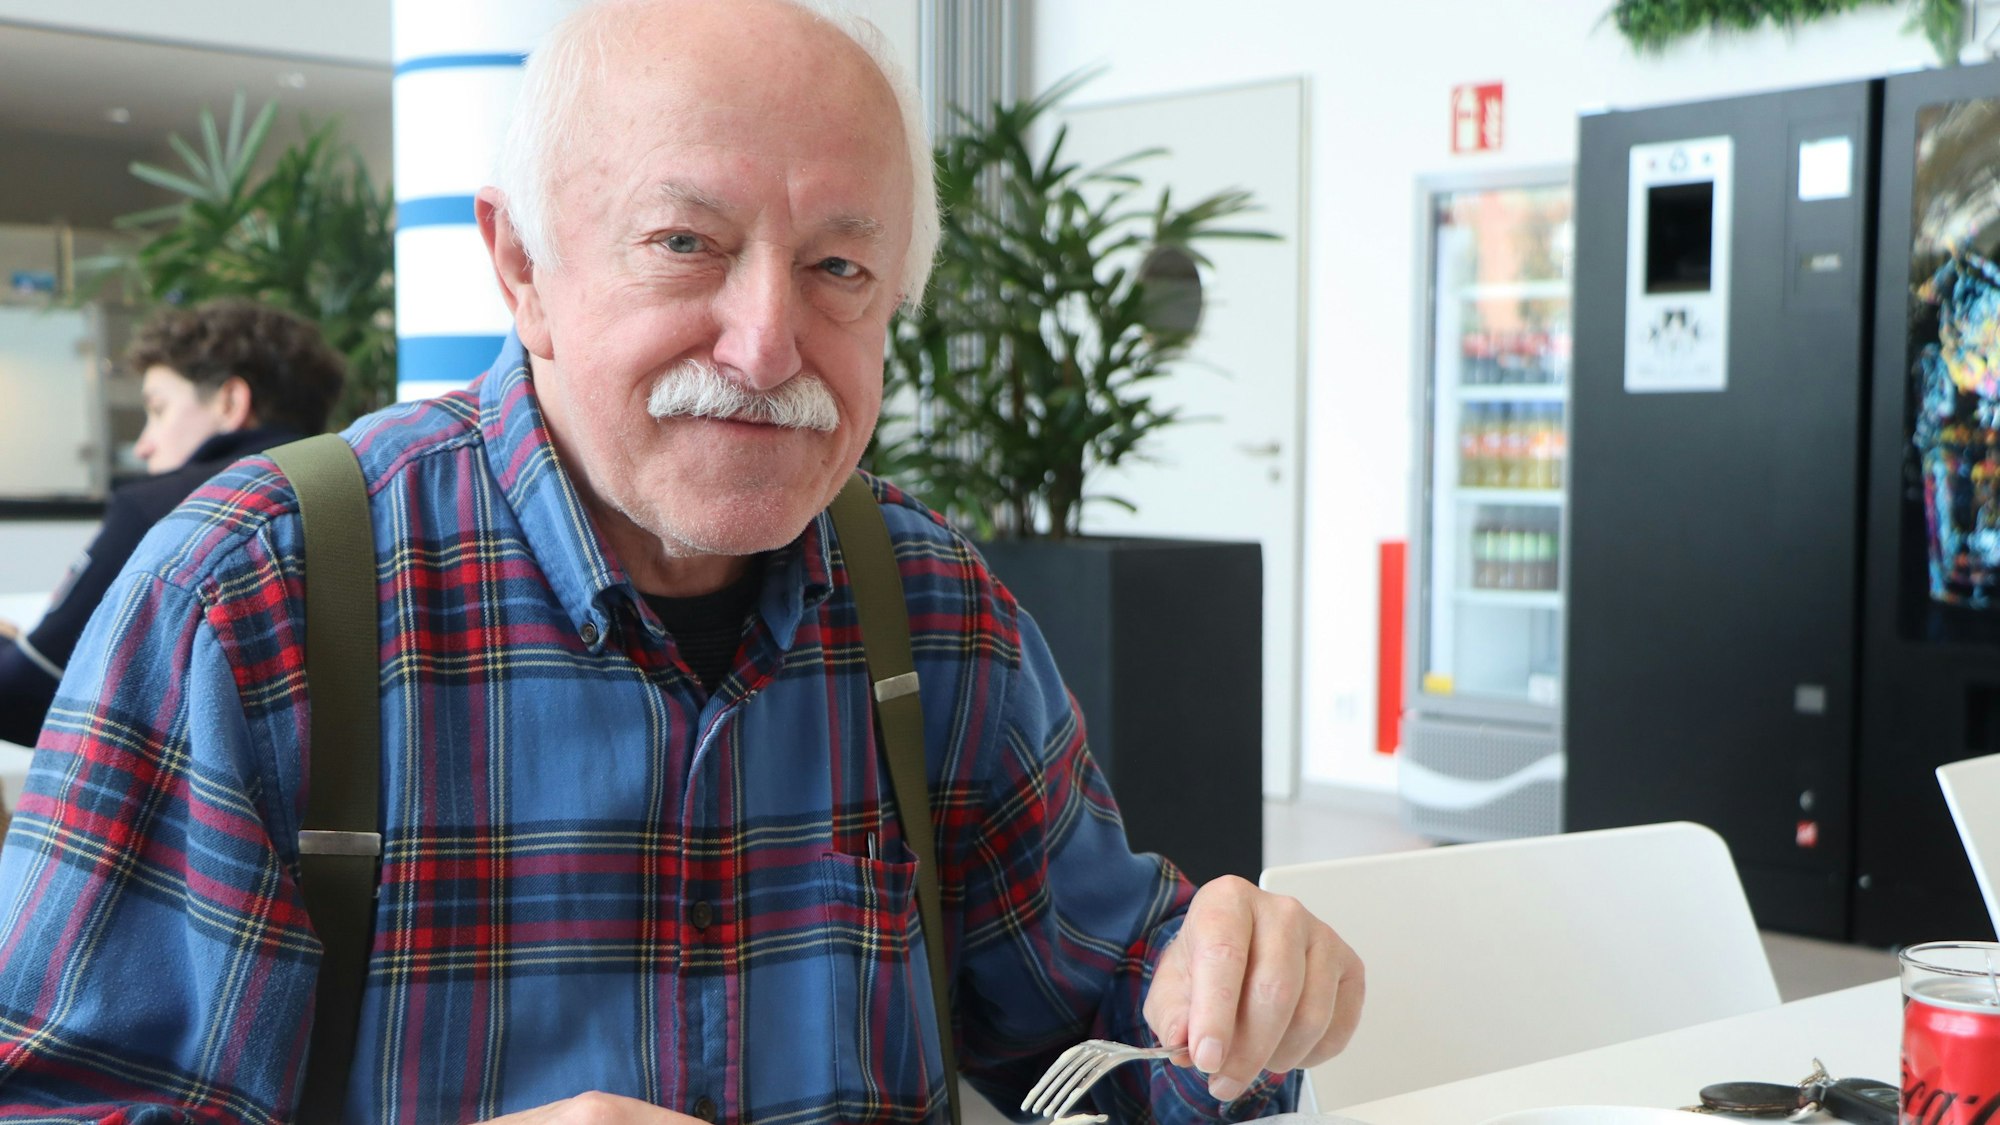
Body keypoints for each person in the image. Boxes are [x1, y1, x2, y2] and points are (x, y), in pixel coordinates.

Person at [0, 2, 1363, 1122]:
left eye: (839, 267)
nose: (766, 345)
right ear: (521, 267)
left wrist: (1231, 992)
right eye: (684, 244)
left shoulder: (932, 613)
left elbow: (1103, 1021)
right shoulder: (255, 601)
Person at [0, 299, 345, 747]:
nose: (144, 445)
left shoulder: (162, 509)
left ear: (230, 402)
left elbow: (27, 694)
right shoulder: (362, 499)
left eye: (158, 410)